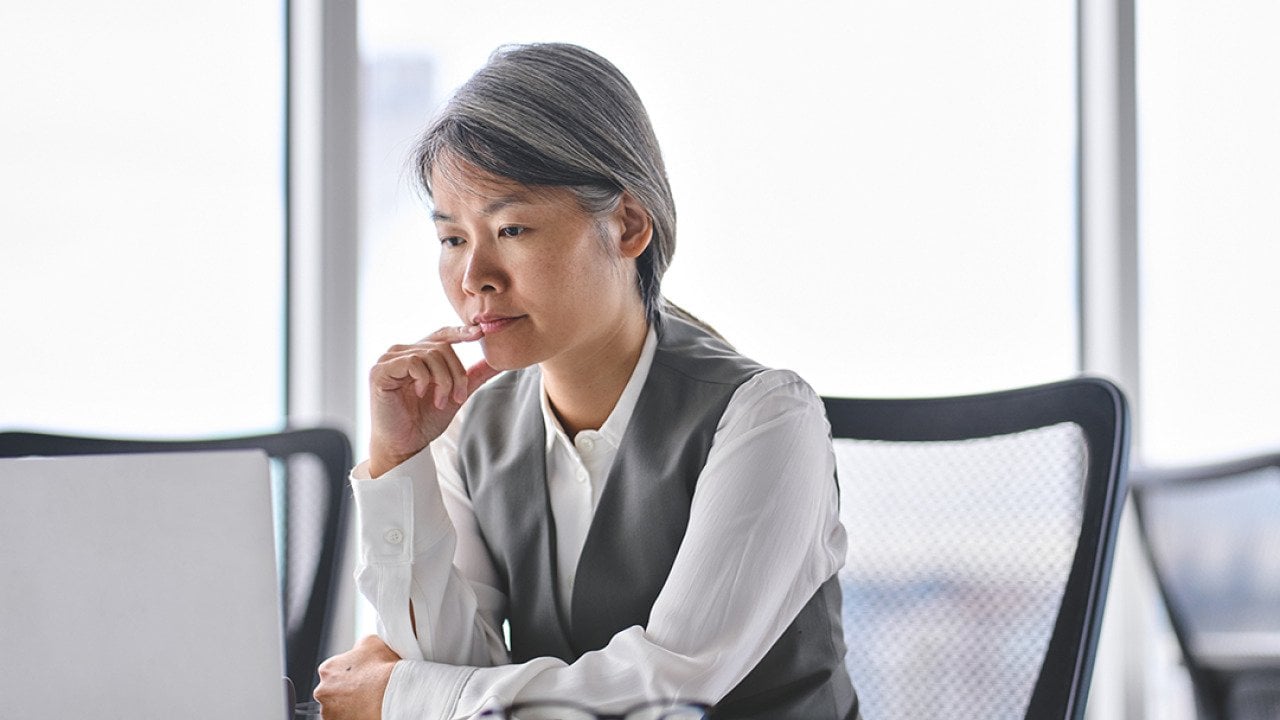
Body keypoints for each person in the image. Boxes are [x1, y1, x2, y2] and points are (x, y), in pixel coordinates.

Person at [312, 42, 859, 720]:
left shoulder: (764, 418)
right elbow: (453, 667)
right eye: (453, 238)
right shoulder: (471, 425)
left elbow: (667, 692)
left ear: (628, 224)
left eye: (511, 228)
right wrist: (400, 462)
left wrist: (401, 699)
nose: (474, 275)